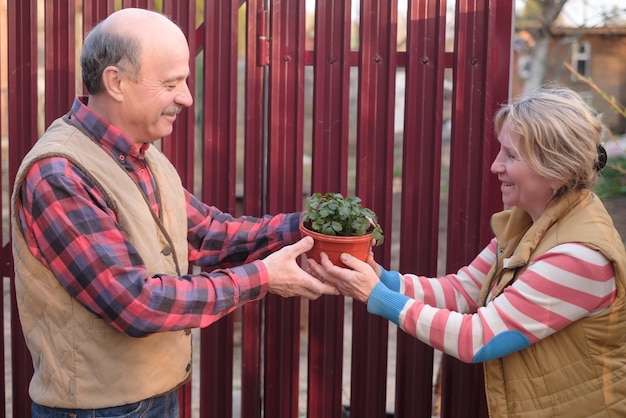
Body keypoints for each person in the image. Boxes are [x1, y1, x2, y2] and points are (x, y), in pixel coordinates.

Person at [11, 8, 337, 417]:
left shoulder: (141, 154)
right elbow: (134, 302)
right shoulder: (59, 173)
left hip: (155, 396)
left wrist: (307, 228)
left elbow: (206, 234)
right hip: (97, 411)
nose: (186, 97)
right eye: (171, 83)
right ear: (116, 82)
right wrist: (265, 277)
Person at [308, 86, 626, 417]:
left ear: (557, 171)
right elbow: (462, 291)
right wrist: (383, 280)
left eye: (511, 156)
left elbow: (479, 337)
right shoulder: (530, 224)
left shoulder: (578, 257)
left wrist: (377, 297)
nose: (495, 166)